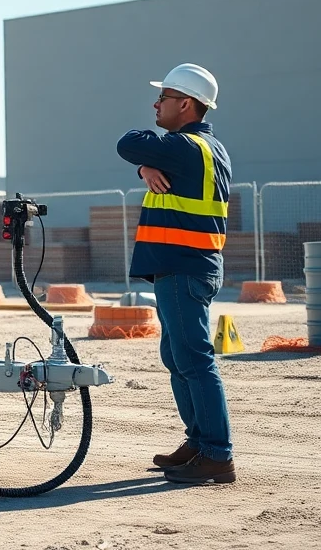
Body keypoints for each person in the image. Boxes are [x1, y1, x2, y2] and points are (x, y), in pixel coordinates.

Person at [116, 62, 236, 485]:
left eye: (163, 97)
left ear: (185, 104)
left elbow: (128, 143)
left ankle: (217, 455)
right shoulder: (208, 148)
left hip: (184, 268)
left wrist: (143, 160)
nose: (156, 103)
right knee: (178, 356)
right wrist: (146, 167)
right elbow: (142, 156)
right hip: (187, 267)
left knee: (194, 359)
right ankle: (199, 443)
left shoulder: (185, 146)